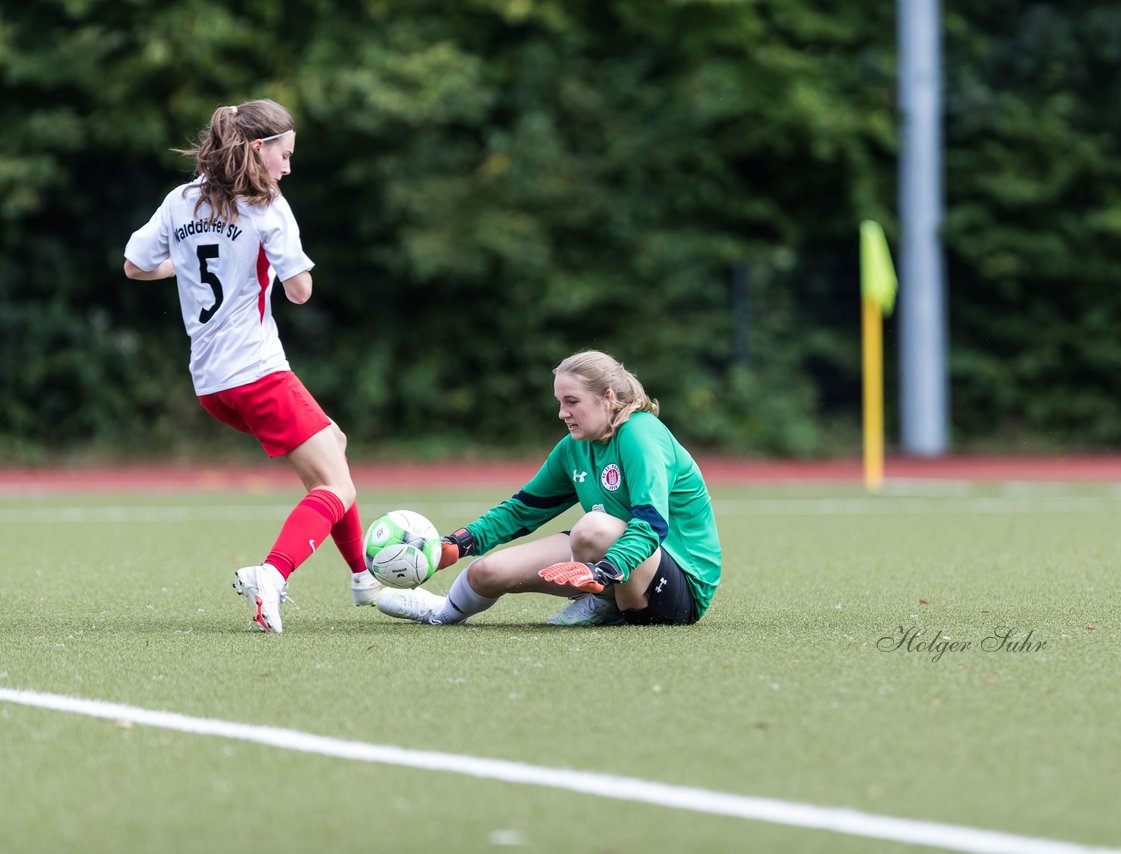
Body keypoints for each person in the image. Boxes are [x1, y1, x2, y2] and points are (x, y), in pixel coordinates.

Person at [123, 99, 379, 633]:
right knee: (337, 488)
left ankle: (363, 579)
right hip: (258, 370)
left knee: (335, 442)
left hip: (211, 384)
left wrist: (188, 267)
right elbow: (302, 291)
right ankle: (272, 575)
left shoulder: (180, 200)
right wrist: (286, 249)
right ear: (259, 150)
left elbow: (134, 266)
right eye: (284, 156)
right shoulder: (268, 205)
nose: (288, 167)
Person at [376, 350, 722, 627]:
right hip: (613, 556)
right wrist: (459, 544)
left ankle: (603, 601)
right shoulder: (574, 447)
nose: (562, 413)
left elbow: (651, 525)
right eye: (559, 402)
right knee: (487, 572)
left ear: (608, 398)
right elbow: (522, 510)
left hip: (679, 590)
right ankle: (441, 614)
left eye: (572, 401)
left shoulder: (640, 434)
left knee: (592, 530)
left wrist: (602, 570)